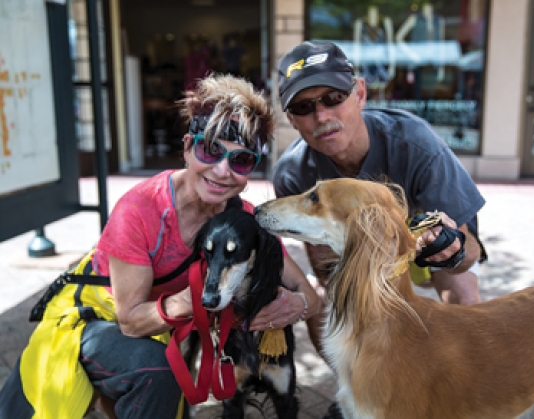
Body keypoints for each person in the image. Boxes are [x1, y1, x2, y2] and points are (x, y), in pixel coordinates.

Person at [0, 73, 320, 419]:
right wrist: (191, 301)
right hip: (94, 320)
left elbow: (311, 295)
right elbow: (131, 322)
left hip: (160, 330)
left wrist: (297, 304)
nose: (222, 170)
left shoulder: (240, 220)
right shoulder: (140, 210)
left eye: (241, 160)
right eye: (210, 150)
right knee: (157, 371)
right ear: (186, 147)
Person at [272, 41, 486, 415]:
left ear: (360, 94)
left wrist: (449, 245)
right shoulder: (293, 173)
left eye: (334, 97)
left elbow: (468, 254)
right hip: (354, 258)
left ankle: (460, 392)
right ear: (291, 119)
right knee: (327, 305)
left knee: (461, 288)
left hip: (419, 248)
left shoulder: (416, 143)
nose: (322, 116)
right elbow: (325, 269)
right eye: (304, 107)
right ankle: (359, 392)